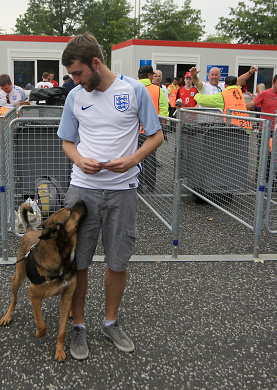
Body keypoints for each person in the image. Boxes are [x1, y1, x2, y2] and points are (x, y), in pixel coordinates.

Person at [57, 33, 164, 360]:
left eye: (78, 73)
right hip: (82, 191)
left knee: (118, 261)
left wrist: (133, 159)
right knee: (79, 262)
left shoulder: (133, 90)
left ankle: (111, 321)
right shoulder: (75, 96)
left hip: (123, 192)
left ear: (96, 63)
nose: (74, 80)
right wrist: (78, 160)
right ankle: (78, 326)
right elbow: (67, 141)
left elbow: (156, 135)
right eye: (72, 75)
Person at [137, 64, 168, 193]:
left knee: (136, 157)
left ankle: (137, 184)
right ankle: (150, 186)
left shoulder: (132, 87)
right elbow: (164, 109)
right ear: (150, 75)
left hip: (135, 131)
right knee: (150, 158)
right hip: (151, 130)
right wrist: (163, 125)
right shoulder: (157, 90)